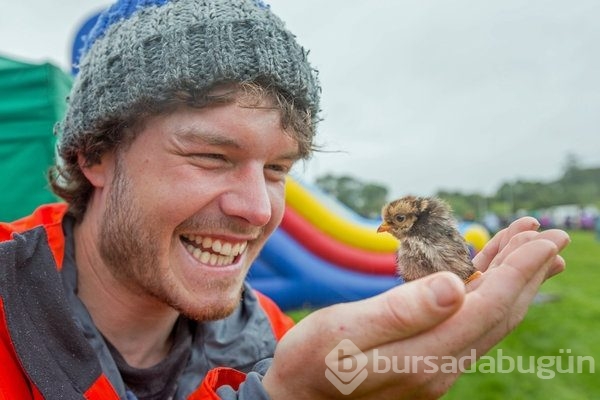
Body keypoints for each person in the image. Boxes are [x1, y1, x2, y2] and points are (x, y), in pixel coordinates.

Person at [0, 0, 570, 399]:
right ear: (93, 154)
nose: (257, 208)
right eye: (212, 157)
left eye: (277, 168)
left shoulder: (276, 338)